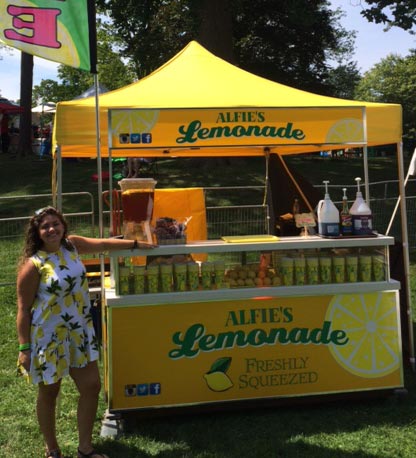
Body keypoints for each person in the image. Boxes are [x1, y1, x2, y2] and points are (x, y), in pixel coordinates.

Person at [16, 206, 155, 458]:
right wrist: (24, 348)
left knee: (91, 386)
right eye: (45, 226)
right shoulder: (33, 265)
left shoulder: (73, 246)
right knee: (50, 391)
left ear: (63, 226)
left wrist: (137, 243)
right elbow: (23, 309)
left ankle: (85, 449)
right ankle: (52, 450)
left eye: (55, 224)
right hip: (48, 337)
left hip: (79, 331)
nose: (51, 229)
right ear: (37, 232)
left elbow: (104, 243)